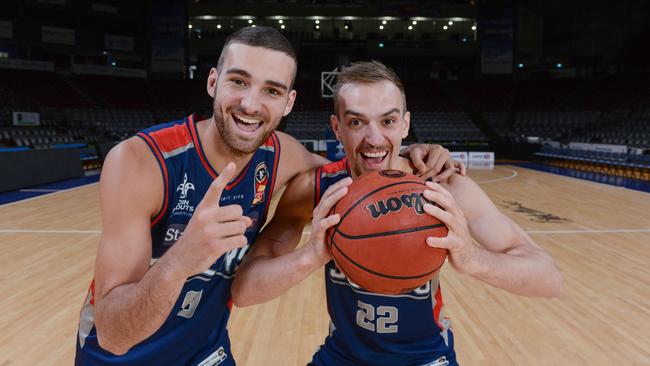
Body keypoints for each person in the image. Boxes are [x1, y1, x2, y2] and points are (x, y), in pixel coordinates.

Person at [74, 27, 460, 366]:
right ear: (213, 81)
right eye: (239, 81)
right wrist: (179, 263)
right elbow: (113, 336)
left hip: (205, 354)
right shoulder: (142, 161)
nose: (250, 104)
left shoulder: (282, 155)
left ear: (288, 103)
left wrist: (413, 151)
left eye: (271, 90)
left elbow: (366, 170)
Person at [231, 61, 563, 366]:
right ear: (336, 128)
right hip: (342, 356)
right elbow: (244, 291)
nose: (374, 139)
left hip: (425, 358)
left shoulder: (440, 185)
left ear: (405, 124)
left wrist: (473, 259)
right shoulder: (315, 189)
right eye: (357, 122)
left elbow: (548, 278)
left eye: (388, 121)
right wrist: (311, 255)